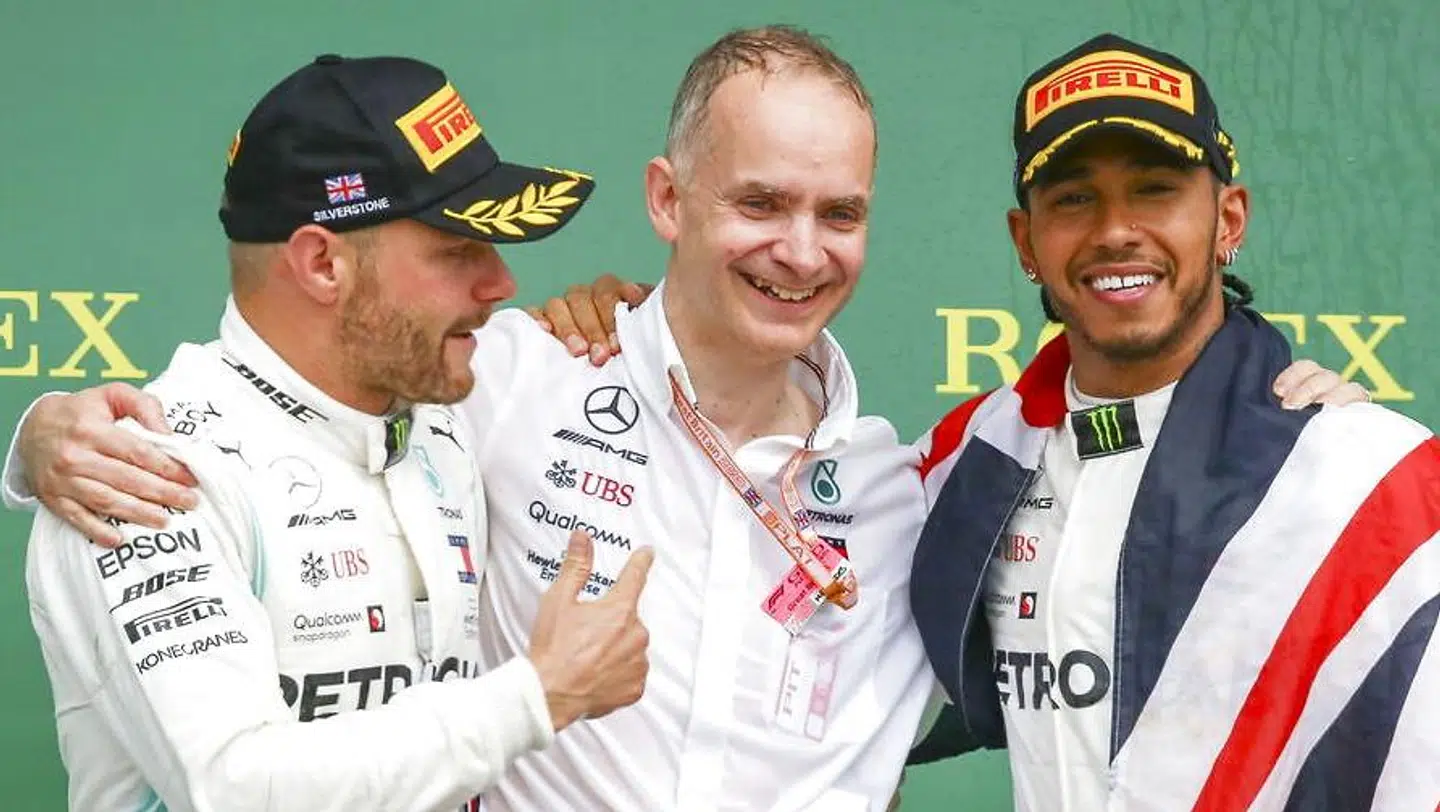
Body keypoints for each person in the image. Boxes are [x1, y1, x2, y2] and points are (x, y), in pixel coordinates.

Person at [3, 27, 1370, 812]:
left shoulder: (913, 489)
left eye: (839, 213)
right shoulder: (510, 379)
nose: (801, 249)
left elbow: (1119, 483)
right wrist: (51, 438)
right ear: (668, 200)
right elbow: (316, 399)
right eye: (759, 202)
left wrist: (1288, 408)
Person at [14, 54, 654, 812]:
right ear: (323, 263)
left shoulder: (443, 414)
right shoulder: (138, 476)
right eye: (457, 250)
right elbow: (232, 790)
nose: (501, 283)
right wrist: (538, 696)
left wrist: (609, 313)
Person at [902, 33, 1440, 811]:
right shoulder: (963, 464)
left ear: (1228, 221)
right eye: (1074, 198)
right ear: (1026, 241)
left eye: (1155, 189)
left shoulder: (1370, 476)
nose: (1115, 229)